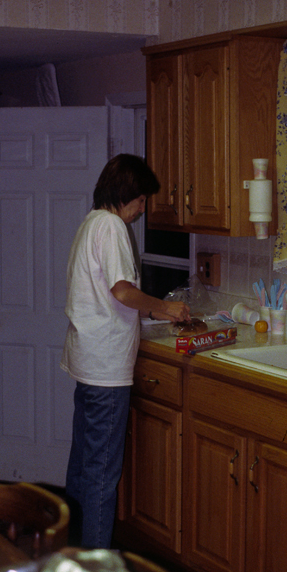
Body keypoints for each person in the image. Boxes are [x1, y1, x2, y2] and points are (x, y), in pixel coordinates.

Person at [61, 153, 190, 549]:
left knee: (83, 468)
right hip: (106, 369)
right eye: (141, 200)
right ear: (127, 195)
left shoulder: (89, 223)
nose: (143, 208)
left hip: (86, 361)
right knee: (101, 474)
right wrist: (165, 307)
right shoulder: (113, 226)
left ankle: (74, 552)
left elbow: (107, 296)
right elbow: (122, 290)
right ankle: (96, 571)